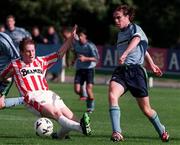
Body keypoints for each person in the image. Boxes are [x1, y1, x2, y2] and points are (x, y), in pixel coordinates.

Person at [0, 25, 91, 139]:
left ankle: (60, 135)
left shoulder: (41, 61)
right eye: (28, 51)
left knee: (70, 116)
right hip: (31, 98)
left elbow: (59, 54)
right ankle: (81, 128)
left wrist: (70, 39)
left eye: (33, 50)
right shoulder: (14, 65)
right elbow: (3, 77)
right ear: (22, 52)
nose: (32, 54)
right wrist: (2, 93)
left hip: (47, 93)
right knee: (57, 113)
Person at [108, 4, 169, 142]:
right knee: (112, 95)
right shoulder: (120, 33)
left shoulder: (135, 28)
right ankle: (117, 132)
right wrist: (152, 64)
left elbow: (137, 41)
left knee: (146, 110)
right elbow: (143, 49)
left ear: (128, 16)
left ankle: (162, 130)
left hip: (136, 73)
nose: (116, 21)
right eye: (114, 18)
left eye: (119, 18)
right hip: (122, 71)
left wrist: (125, 53)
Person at [73, 28, 99, 113]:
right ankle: (83, 95)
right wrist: (73, 60)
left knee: (89, 89)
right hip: (80, 69)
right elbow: (76, 53)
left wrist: (85, 58)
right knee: (77, 90)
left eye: (81, 36)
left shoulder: (90, 46)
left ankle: (90, 107)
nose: (80, 37)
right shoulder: (76, 44)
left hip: (89, 69)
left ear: (85, 37)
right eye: (79, 36)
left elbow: (96, 58)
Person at [0, 32, 23, 109]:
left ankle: (26, 99)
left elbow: (17, 59)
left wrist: (5, 76)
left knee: (0, 104)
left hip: (4, 76)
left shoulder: (3, 40)